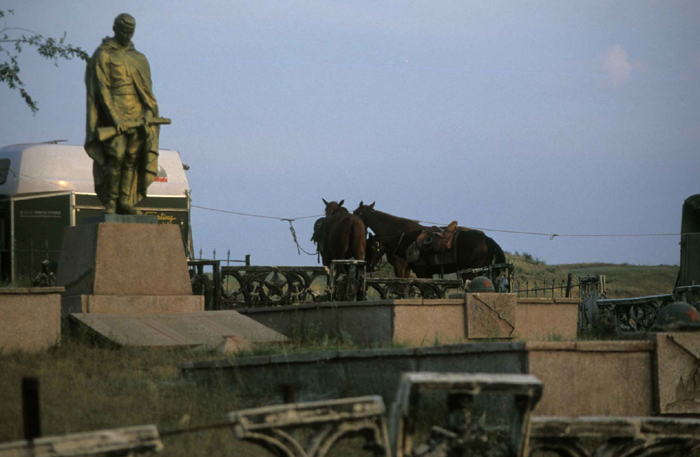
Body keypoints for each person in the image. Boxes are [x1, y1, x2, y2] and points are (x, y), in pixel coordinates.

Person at [84, 13, 160, 215]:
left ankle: (125, 202)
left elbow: (147, 92)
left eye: (131, 32)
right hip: (113, 114)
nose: (127, 35)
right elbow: (101, 90)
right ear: (115, 29)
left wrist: (147, 114)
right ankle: (111, 201)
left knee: (132, 158)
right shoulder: (103, 55)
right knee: (115, 156)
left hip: (137, 115)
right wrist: (114, 118)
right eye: (124, 31)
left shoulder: (139, 58)